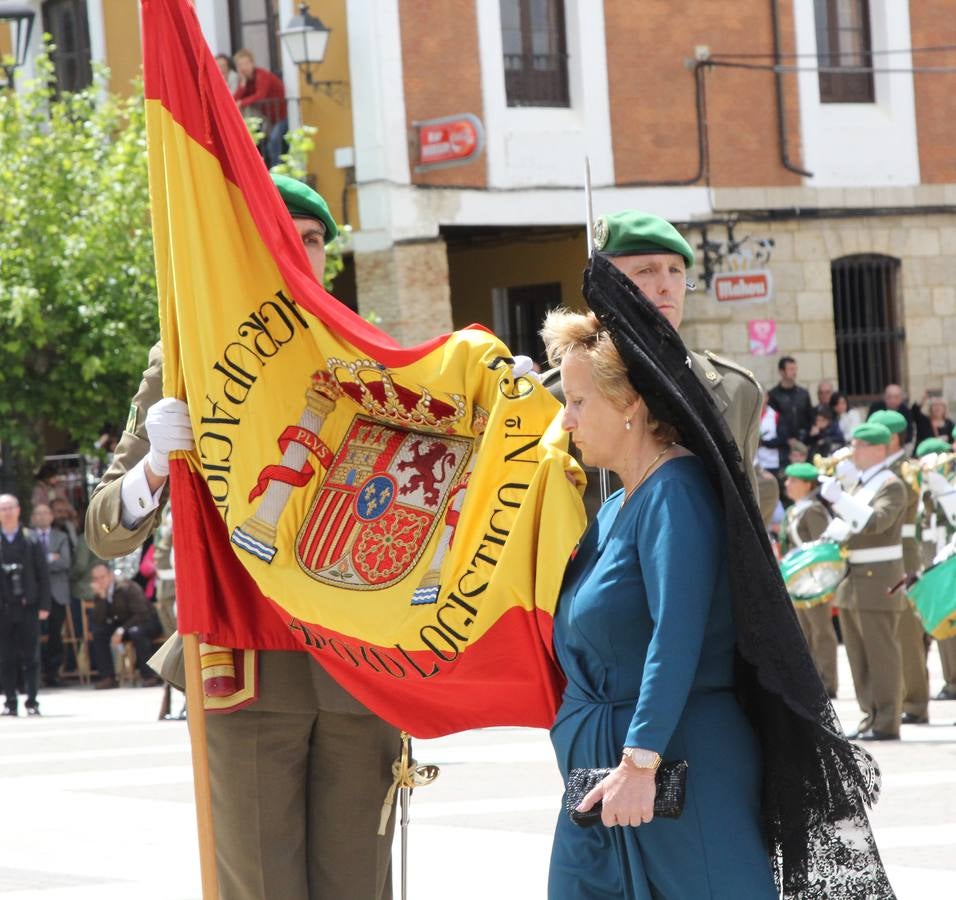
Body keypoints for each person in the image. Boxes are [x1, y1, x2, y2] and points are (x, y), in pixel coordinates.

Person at [85, 174, 400, 900]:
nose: (303, 253)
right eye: (284, 238)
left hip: (356, 667)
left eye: (315, 240)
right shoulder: (186, 357)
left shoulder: (370, 356)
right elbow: (105, 526)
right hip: (246, 663)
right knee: (260, 887)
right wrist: (155, 470)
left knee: (362, 889)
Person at [541, 255, 893, 899]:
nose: (566, 419)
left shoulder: (675, 492)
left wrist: (639, 760)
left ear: (630, 406)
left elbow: (674, 636)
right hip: (605, 780)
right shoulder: (616, 502)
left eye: (578, 401)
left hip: (672, 772)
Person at [821, 422, 907, 741]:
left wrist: (840, 499)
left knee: (882, 654)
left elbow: (876, 523)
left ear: (878, 449)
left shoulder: (891, 485)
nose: (852, 450)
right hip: (854, 581)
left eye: (858, 445)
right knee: (859, 656)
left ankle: (887, 720)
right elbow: (850, 527)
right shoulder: (862, 484)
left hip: (879, 580)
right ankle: (871, 714)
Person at [868, 409, 929, 726]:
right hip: (883, 556)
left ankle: (916, 702)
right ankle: (902, 696)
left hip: (903, 553)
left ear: (890, 438)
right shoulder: (878, 471)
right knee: (891, 633)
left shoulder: (903, 471)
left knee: (906, 631)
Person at [780, 463, 838, 698]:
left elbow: (822, 547)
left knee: (820, 631)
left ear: (807, 484)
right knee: (804, 631)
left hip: (814, 580)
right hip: (798, 580)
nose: (787, 484)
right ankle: (811, 680)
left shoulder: (813, 511)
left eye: (793, 480)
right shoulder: (794, 510)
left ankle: (827, 681)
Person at [0, 494, 51, 716]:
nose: (7, 512)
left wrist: (44, 605)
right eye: (3, 508)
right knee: (6, 656)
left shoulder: (31, 538)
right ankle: (10, 701)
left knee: (32, 656)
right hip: (3, 608)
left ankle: (32, 701)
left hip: (28, 605)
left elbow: (43, 575)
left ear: (19, 510)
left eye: (11, 507)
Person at [88, 563, 162, 689]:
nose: (99, 581)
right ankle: (108, 677)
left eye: (102, 577)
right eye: (96, 579)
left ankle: (150, 676)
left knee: (136, 632)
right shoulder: (100, 593)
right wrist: (102, 598)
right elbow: (99, 620)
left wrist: (121, 630)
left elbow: (142, 613)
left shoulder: (127, 587)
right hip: (123, 626)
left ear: (110, 576)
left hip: (146, 622)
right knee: (99, 633)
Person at [30, 504, 73, 688]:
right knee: (34, 635)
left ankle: (53, 673)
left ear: (51, 516)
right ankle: (35, 673)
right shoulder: (28, 537)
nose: (41, 516)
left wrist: (40, 563)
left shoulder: (61, 536)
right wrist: (49, 558)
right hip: (35, 593)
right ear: (33, 517)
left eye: (45, 513)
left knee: (55, 635)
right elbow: (28, 564)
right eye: (38, 513)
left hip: (57, 593)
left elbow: (65, 562)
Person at [233, 48, 288, 168]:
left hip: (284, 116)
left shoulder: (262, 75)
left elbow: (260, 95)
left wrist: (242, 102)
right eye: (240, 65)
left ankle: (276, 172)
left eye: (246, 63)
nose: (244, 67)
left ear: (252, 63)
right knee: (265, 144)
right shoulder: (246, 81)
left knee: (274, 141)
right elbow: (233, 101)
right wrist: (242, 85)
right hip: (271, 119)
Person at [768, 356, 813, 470]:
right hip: (783, 448)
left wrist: (805, 437)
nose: (794, 372)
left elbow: (809, 418)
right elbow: (772, 422)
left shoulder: (803, 394)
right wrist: (787, 439)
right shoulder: (773, 395)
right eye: (791, 369)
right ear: (781, 372)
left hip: (803, 445)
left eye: (795, 369)